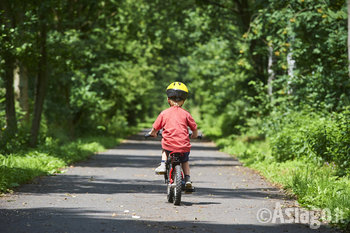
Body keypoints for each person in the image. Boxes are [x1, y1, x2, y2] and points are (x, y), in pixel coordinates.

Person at [148, 81, 198, 189]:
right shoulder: (186, 114)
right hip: (183, 146)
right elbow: (194, 127)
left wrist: (152, 133)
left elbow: (155, 127)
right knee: (184, 161)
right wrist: (194, 135)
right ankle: (188, 179)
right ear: (184, 101)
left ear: (168, 99)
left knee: (165, 148)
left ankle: (162, 164)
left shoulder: (164, 113)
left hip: (169, 145)